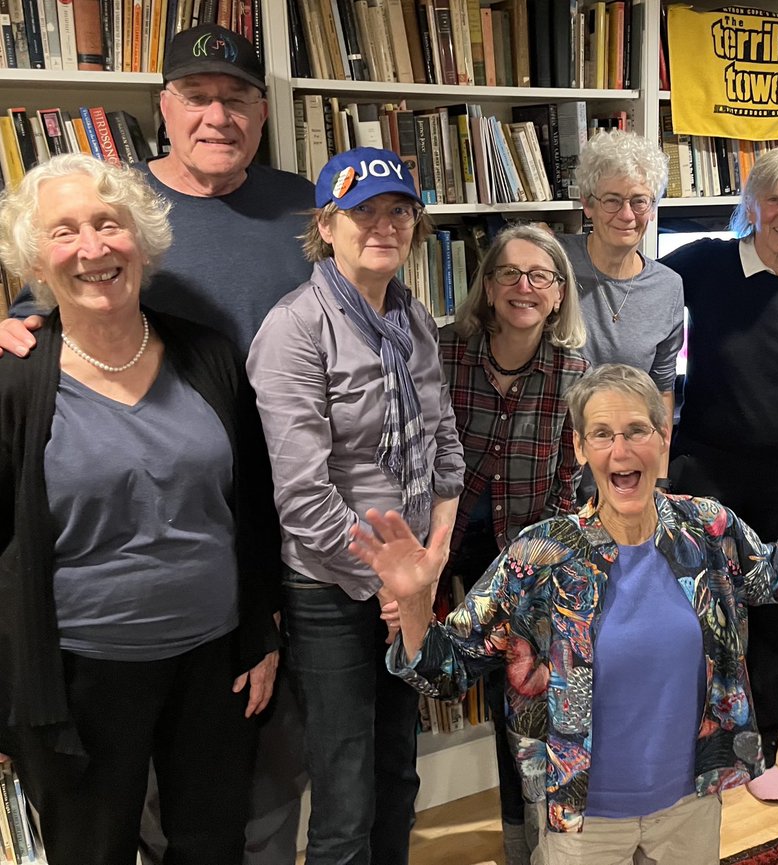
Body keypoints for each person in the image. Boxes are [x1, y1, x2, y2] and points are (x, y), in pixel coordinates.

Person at [351, 363, 778, 865]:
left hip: (690, 799)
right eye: (602, 434)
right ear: (581, 449)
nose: (621, 448)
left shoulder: (706, 528)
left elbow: (777, 577)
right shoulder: (542, 555)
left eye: (637, 430)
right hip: (583, 815)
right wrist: (418, 602)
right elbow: (444, 669)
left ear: (663, 439)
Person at [0, 23, 315, 865]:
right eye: (66, 233)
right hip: (78, 671)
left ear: (143, 238)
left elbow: (244, 499)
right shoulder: (19, 377)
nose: (94, 247)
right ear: (165, 109)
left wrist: (258, 624)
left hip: (222, 645)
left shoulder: (210, 348)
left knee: (219, 834)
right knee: (93, 845)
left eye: (111, 226)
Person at [246, 146, 465, 865]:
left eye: (397, 210)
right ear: (326, 225)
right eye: (361, 210)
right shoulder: (295, 327)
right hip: (332, 591)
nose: (382, 225)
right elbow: (304, 497)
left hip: (408, 583)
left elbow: (446, 451)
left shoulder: (414, 320)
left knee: (398, 770)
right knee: (343, 790)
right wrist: (388, 583)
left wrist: (428, 566)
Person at [660, 144, 778, 804]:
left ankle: (761, 746)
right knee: (691, 617)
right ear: (753, 203)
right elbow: (637, 287)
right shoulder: (708, 261)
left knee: (774, 623)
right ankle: (689, 745)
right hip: (704, 471)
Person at [438, 224, 588, 865]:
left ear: (558, 295)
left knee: (522, 701)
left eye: (541, 277)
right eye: (510, 273)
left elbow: (566, 479)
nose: (524, 287)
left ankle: (525, 839)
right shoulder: (446, 351)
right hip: (441, 543)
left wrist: (538, 567)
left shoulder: (571, 370)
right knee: (424, 664)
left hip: (526, 556)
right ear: (489, 285)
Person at [560, 129, 684, 482]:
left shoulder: (668, 286)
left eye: (639, 201)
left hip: (626, 471)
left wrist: (658, 479)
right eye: (612, 200)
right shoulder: (554, 261)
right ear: (588, 204)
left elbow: (662, 389)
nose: (627, 214)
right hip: (551, 469)